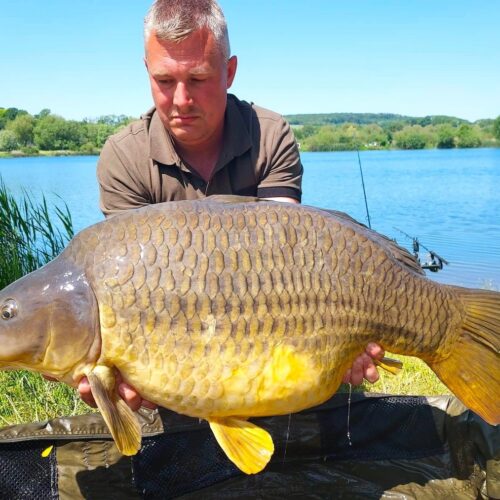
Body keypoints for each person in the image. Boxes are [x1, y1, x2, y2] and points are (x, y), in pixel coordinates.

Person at [78, 0, 385, 411]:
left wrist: (338, 337)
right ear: (147, 72)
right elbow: (134, 292)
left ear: (229, 71)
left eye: (199, 78)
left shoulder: (270, 135)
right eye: (165, 80)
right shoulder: (124, 157)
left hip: (272, 336)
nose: (181, 99)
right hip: (182, 347)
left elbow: (287, 264)